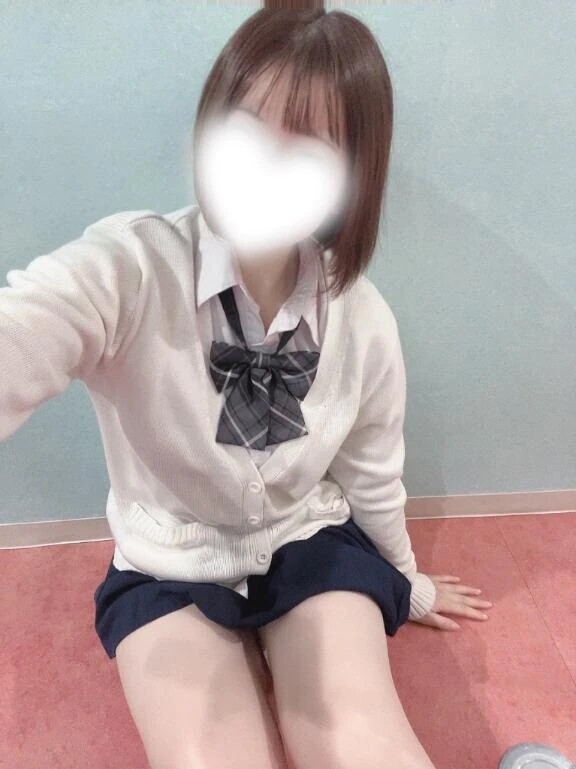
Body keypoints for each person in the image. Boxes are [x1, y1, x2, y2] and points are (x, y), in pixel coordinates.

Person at [1, 5, 493, 769]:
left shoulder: (361, 317)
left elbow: (372, 474)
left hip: (309, 540)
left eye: (308, 146)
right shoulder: (129, 271)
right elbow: (28, 325)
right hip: (167, 562)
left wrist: (406, 582)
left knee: (366, 747)